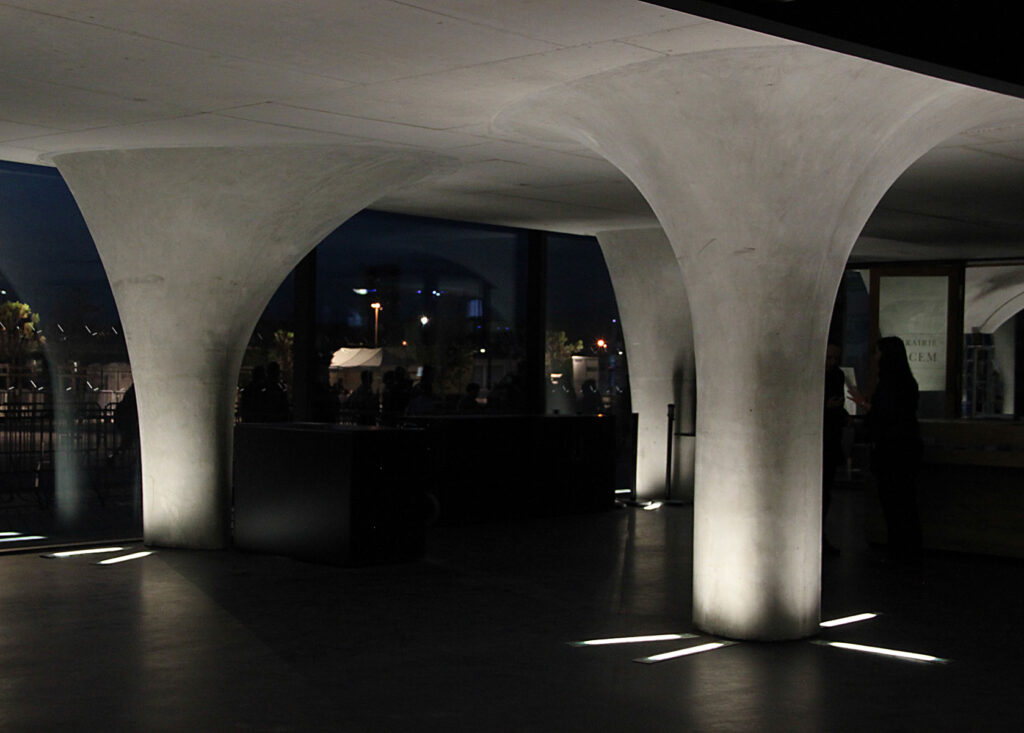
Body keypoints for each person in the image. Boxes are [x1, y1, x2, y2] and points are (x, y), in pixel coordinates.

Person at [855, 336, 923, 567]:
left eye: (877, 353)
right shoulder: (908, 383)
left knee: (893, 506)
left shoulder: (887, 384)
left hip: (890, 453)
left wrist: (867, 411)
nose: (875, 358)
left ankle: (898, 554)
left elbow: (883, 417)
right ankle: (908, 553)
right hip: (906, 451)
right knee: (906, 504)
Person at [822, 343, 847, 556]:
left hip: (829, 439)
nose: (831, 362)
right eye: (828, 358)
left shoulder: (837, 376)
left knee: (825, 493)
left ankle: (821, 536)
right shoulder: (833, 376)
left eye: (834, 358)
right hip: (822, 438)